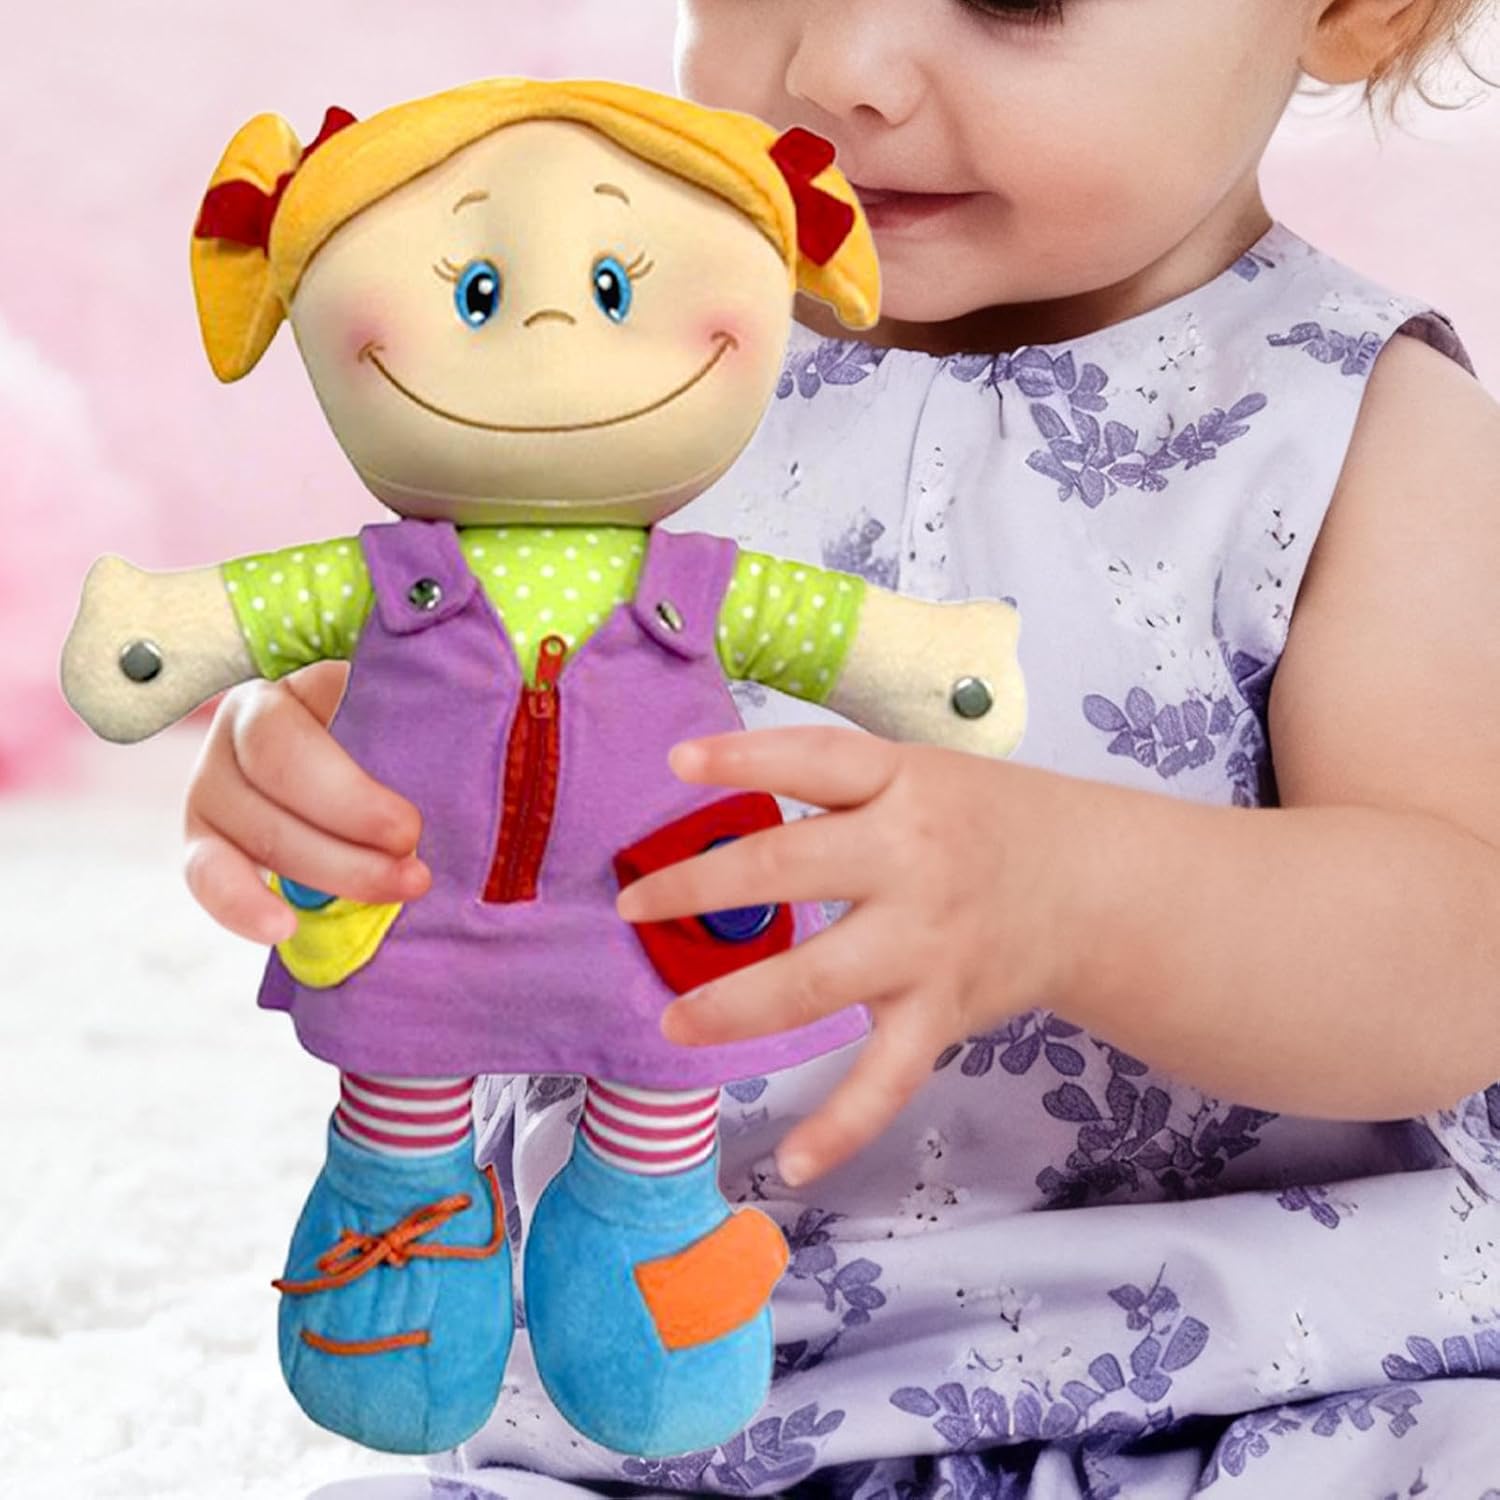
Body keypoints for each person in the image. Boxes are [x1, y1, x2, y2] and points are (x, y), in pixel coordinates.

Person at [182, 0, 1500, 1494]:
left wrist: (1075, 894)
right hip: (667, 1390)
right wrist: (317, 767)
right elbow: (463, 680)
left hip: (1267, 1383)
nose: (839, 72)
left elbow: (1467, 947)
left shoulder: (1355, 425)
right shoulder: (641, 370)